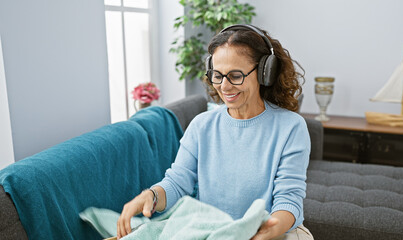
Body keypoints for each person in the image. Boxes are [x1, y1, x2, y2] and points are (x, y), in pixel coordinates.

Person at [117, 24, 313, 240]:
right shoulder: (202, 126)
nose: (225, 86)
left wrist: (271, 229)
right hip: (215, 233)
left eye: (236, 75)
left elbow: (289, 198)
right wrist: (151, 196)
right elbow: (177, 182)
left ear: (265, 72)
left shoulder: (291, 127)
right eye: (217, 75)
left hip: (276, 232)